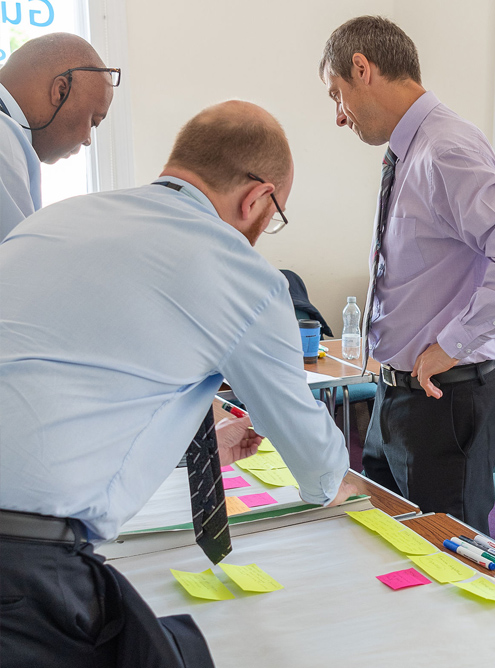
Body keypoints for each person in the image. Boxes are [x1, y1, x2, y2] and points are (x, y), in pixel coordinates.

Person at [0, 101, 357, 666]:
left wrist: (192, 442)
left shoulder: (57, 220)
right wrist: (336, 483)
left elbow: (78, 378)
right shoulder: (241, 273)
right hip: (23, 567)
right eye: (276, 213)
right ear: (257, 198)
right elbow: (315, 460)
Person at [319, 16, 495, 533]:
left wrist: (453, 342)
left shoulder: (445, 148)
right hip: (399, 396)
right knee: (388, 540)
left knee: (450, 562)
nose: (339, 116)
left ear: (362, 69)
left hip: (442, 398)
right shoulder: (415, 149)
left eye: (337, 94)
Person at [0, 32, 118, 240]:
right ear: (61, 91)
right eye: (93, 121)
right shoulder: (4, 141)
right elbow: (16, 264)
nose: (87, 140)